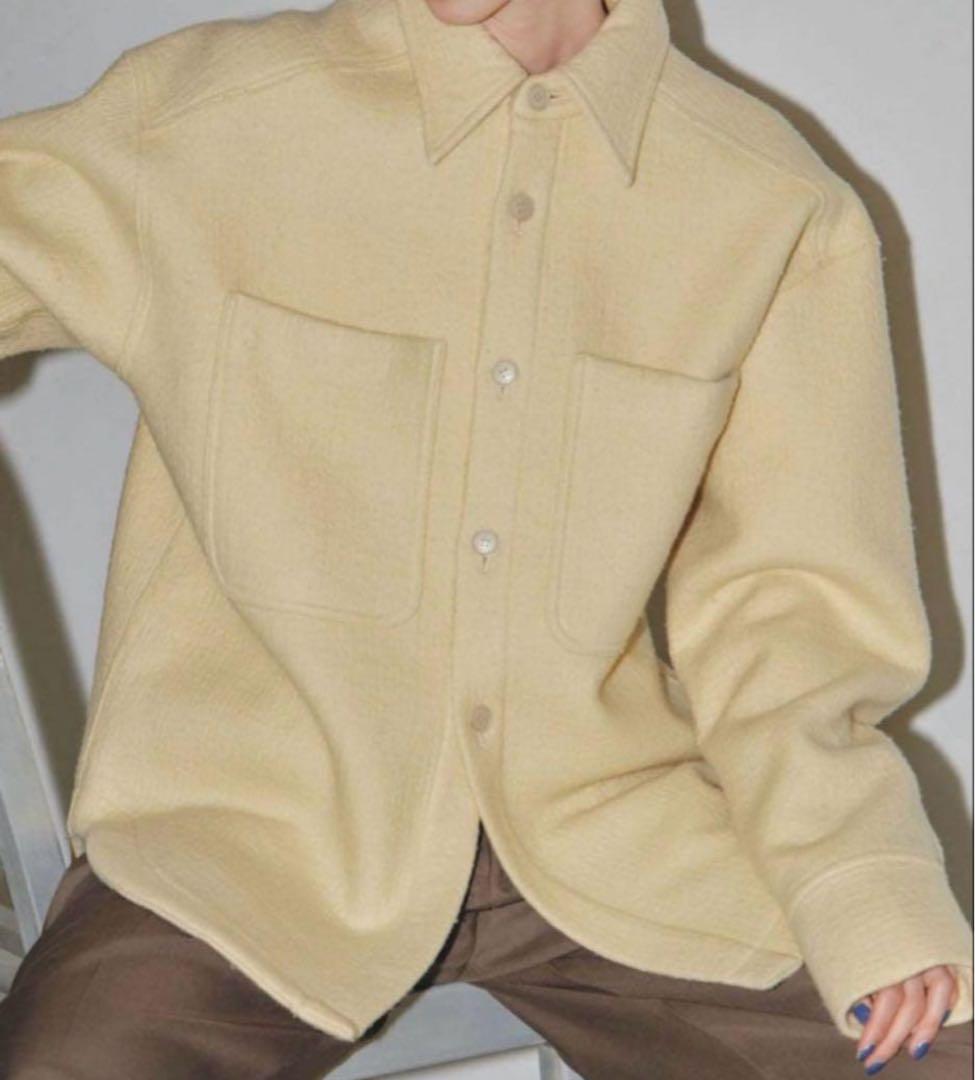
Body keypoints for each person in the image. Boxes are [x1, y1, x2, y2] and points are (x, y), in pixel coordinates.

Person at [0, 0, 971, 1077]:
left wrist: (864, 887)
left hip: (625, 855)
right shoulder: (209, 115)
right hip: (243, 858)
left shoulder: (769, 203)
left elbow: (788, 621)